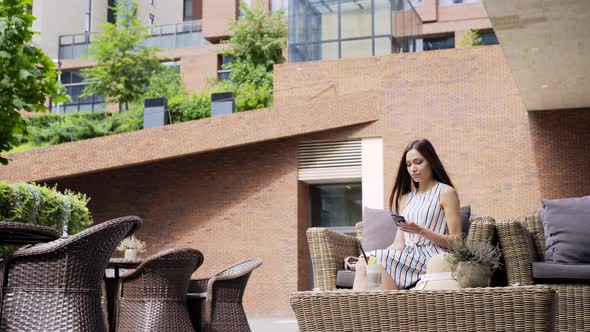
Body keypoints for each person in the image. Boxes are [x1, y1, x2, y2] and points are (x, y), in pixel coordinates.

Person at [353, 138, 462, 290]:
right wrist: (372, 255)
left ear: (431, 161)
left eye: (418, 162)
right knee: (365, 262)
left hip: (431, 258)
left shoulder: (446, 192)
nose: (413, 169)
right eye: (409, 165)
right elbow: (399, 244)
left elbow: (457, 242)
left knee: (375, 261)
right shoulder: (406, 199)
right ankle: (369, 310)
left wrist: (420, 231)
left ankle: (381, 308)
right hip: (407, 257)